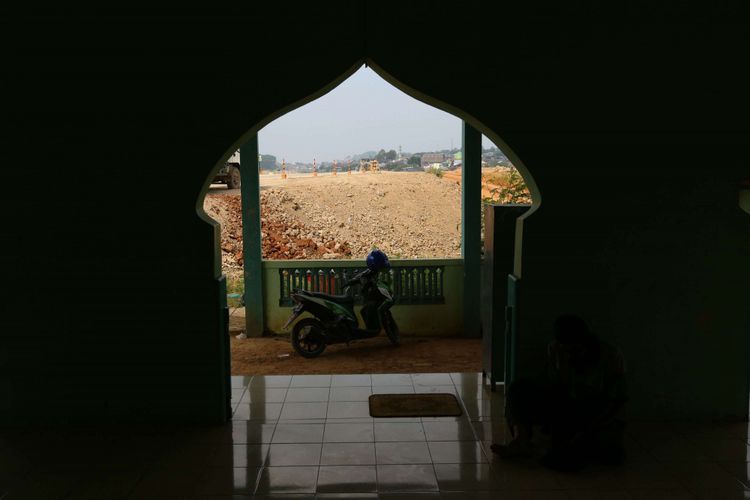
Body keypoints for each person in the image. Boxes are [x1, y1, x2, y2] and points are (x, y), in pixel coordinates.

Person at [491, 314, 627, 472]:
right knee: (519, 388)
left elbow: (617, 401)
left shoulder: (610, 356)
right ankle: (521, 441)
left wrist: (589, 429)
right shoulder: (556, 349)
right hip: (567, 407)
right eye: (565, 349)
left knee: (610, 455)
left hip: (596, 413)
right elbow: (552, 388)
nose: (569, 354)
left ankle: (565, 447)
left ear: (586, 342)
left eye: (574, 350)